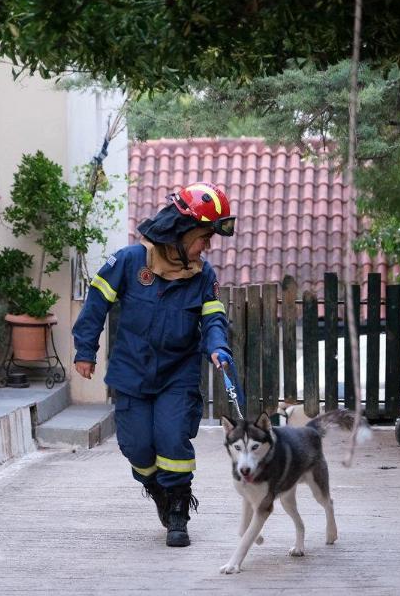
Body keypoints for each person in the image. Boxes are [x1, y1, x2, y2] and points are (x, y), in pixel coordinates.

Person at [72, 181, 235, 547]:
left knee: (172, 437)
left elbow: (212, 319)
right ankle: (157, 490)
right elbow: (96, 304)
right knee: (137, 446)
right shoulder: (130, 262)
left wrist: (218, 347)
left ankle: (178, 508)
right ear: (182, 233)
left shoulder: (202, 276)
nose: (206, 246)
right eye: (204, 237)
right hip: (132, 373)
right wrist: (85, 350)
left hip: (177, 374)